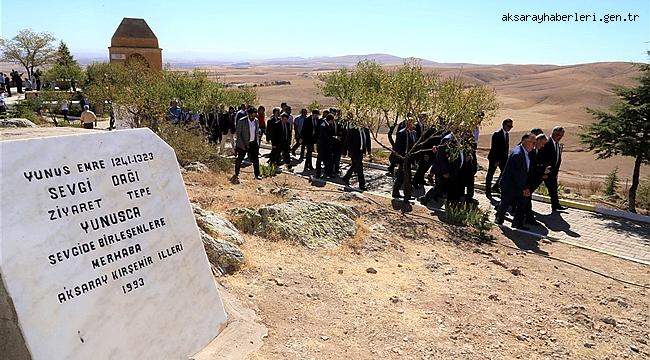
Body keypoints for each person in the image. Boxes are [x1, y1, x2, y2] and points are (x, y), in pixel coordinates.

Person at [495, 133, 536, 229]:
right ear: (524, 141)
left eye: (535, 142)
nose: (534, 145)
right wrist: (524, 188)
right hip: (510, 184)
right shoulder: (518, 154)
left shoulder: (527, 153)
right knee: (505, 202)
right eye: (532, 142)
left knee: (522, 203)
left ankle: (517, 223)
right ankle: (499, 220)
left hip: (519, 184)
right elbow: (516, 174)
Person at [538, 126, 567, 211]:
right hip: (543, 172)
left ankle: (555, 205)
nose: (560, 137)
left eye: (562, 135)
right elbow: (540, 158)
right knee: (531, 187)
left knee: (553, 190)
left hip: (552, 173)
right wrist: (543, 172)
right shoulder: (547, 143)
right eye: (558, 135)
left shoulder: (557, 144)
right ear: (553, 133)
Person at [486, 118, 513, 197]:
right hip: (495, 158)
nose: (510, 128)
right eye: (509, 126)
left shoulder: (507, 134)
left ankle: (496, 186)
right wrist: (496, 160)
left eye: (511, 126)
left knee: (505, 173)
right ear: (504, 125)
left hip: (503, 159)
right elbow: (494, 148)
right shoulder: (497, 134)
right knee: (490, 174)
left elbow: (506, 147)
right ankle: (488, 191)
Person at [233, 107, 261, 182]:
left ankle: (257, 174)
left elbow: (257, 132)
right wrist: (243, 145)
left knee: (256, 159)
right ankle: (236, 173)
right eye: (252, 115)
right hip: (243, 144)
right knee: (240, 158)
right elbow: (238, 134)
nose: (254, 116)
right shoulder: (242, 121)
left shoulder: (256, 121)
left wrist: (257, 142)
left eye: (255, 115)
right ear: (249, 114)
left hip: (253, 143)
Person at [392, 120, 417, 201]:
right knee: (405, 177)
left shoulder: (412, 133)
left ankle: (399, 193)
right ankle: (406, 195)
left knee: (403, 176)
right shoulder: (402, 133)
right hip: (403, 159)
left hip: (408, 159)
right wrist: (399, 160)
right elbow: (398, 147)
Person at [342, 121, 371, 191]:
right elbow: (347, 141)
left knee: (355, 165)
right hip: (354, 151)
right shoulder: (353, 131)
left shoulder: (366, 130)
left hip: (361, 151)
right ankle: (362, 185)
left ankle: (346, 178)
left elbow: (368, 141)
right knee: (360, 167)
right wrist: (344, 152)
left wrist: (369, 151)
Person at [315, 114, 335, 178]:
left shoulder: (329, 124)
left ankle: (328, 173)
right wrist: (334, 138)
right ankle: (318, 173)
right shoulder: (323, 125)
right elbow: (326, 136)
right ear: (330, 120)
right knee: (320, 159)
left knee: (328, 160)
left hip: (327, 145)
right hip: (322, 145)